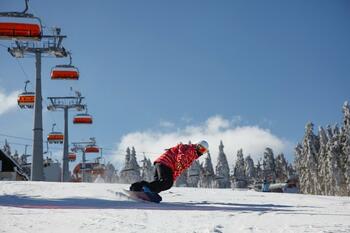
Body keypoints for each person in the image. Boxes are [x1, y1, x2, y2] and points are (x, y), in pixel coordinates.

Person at [130, 140, 209, 194]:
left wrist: (172, 177)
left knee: (159, 184)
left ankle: (143, 191)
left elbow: (178, 168)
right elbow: (181, 155)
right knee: (166, 183)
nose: (201, 152)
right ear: (197, 146)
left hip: (161, 163)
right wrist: (179, 162)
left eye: (204, 151)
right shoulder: (192, 150)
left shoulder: (190, 151)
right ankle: (138, 186)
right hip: (166, 164)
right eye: (201, 148)